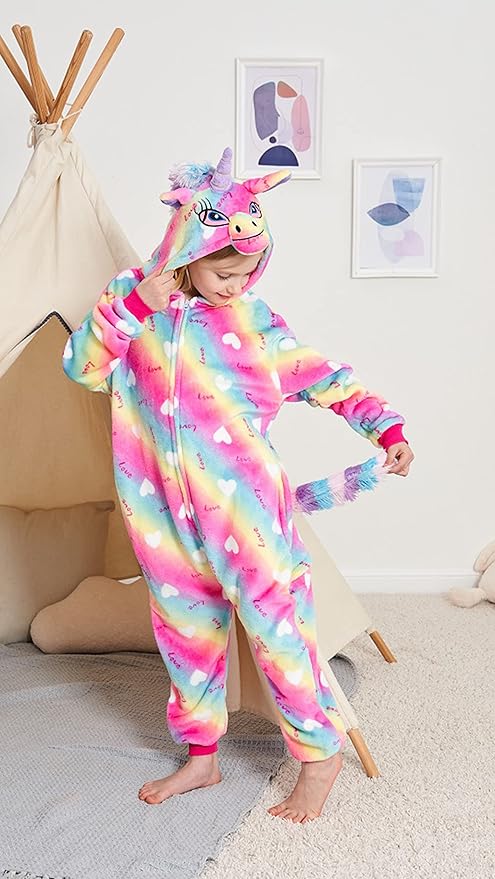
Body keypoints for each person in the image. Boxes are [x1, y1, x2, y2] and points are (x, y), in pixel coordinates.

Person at [62, 146, 414, 823]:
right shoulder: (130, 300)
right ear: (185, 252)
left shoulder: (254, 323)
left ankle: (318, 754)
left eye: (248, 270)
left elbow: (324, 376)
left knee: (279, 632)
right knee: (185, 635)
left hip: (246, 511)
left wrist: (384, 427)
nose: (236, 284)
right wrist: (135, 304)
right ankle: (202, 755)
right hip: (159, 512)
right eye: (224, 271)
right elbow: (81, 367)